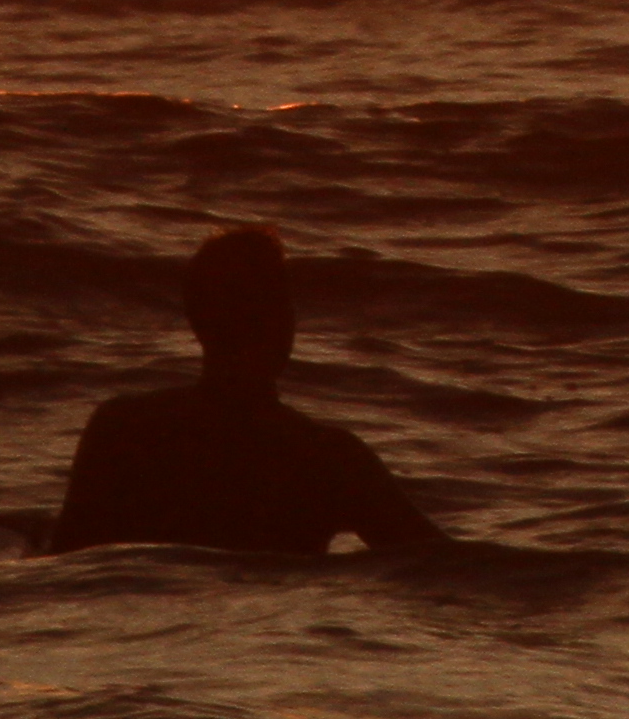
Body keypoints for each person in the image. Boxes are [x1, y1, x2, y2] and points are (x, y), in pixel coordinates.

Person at [48, 222, 457, 559]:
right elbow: (434, 563)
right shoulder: (328, 458)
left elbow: (65, 561)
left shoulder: (122, 427)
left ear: (195, 319)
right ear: (285, 323)